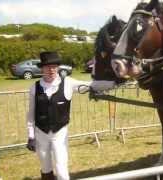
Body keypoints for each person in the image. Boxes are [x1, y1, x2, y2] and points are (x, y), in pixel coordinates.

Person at [26, 51, 115, 180]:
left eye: (54, 66)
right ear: (42, 68)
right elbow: (31, 114)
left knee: (61, 169)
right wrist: (31, 136)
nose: (51, 69)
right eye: (47, 66)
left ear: (58, 67)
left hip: (60, 134)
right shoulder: (34, 88)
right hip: (41, 134)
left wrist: (113, 83)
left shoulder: (68, 83)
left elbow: (91, 85)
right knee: (46, 169)